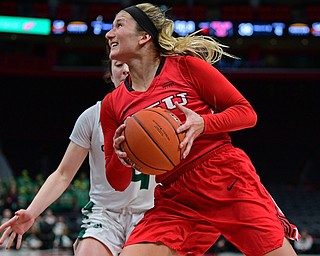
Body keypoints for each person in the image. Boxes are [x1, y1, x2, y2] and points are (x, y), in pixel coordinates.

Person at [100, 3, 300, 256]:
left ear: (144, 36)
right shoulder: (112, 104)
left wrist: (204, 123)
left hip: (223, 177)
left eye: (119, 25)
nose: (109, 34)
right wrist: (122, 159)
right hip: (175, 195)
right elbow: (117, 183)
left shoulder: (185, 67)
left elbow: (247, 113)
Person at [0, 59, 157, 256]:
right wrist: (32, 212)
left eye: (131, 63)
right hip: (105, 215)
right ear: (110, 72)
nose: (125, 70)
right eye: (118, 65)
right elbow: (63, 174)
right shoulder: (92, 116)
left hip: (149, 213)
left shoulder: (162, 115)